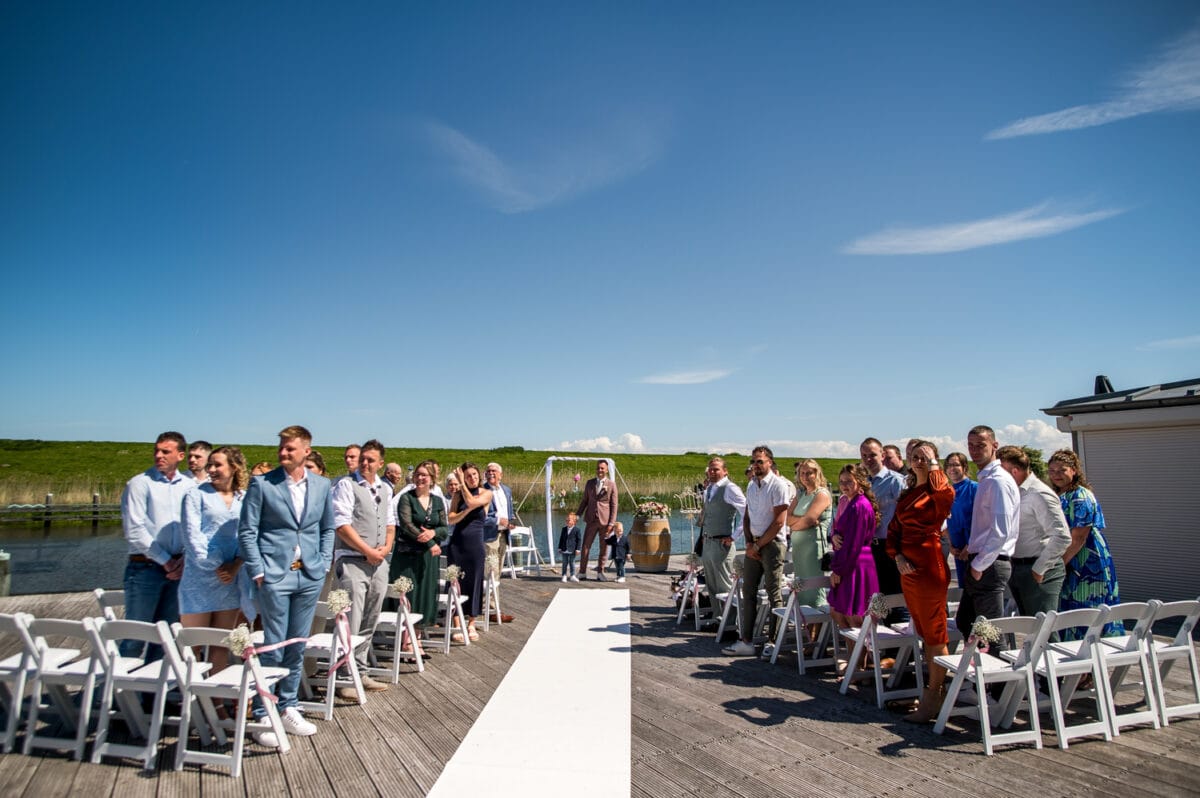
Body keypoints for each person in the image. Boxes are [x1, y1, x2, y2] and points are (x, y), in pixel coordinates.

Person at [238, 425, 334, 746]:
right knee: (273, 644)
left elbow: (327, 528)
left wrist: (322, 562)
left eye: (290, 448)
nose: (283, 453)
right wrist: (257, 569)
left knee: (297, 642)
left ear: (306, 450)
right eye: (281, 447)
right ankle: (263, 711)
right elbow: (247, 530)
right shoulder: (262, 484)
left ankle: (289, 705)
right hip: (274, 574)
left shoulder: (321, 485)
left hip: (309, 573)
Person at [887, 441, 955, 723]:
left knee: (935, 632)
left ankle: (934, 694)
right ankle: (931, 689)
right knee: (924, 632)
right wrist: (897, 556)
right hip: (908, 568)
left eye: (925, 457)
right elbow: (894, 529)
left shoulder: (939, 491)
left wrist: (934, 464)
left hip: (929, 566)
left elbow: (944, 494)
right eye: (914, 457)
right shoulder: (909, 493)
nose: (919, 461)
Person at [120, 431, 194, 656]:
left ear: (180, 455)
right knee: (136, 635)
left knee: (167, 638)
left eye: (165, 451)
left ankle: (155, 680)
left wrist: (184, 559)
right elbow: (134, 530)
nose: (159, 455)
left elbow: (193, 527)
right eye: (156, 451)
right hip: (146, 567)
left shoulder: (189, 486)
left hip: (178, 569)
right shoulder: (139, 484)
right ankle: (122, 679)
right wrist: (166, 561)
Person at [330, 439, 394, 694]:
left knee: (370, 618)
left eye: (370, 460)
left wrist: (386, 548)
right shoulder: (347, 485)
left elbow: (390, 522)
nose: (365, 463)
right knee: (351, 620)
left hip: (379, 562)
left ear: (380, 463)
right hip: (353, 560)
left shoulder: (384, 489)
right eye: (363, 459)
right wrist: (367, 551)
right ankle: (344, 676)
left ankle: (361, 670)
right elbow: (341, 525)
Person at [180, 446, 249, 675]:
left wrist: (236, 565)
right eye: (210, 464)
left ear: (234, 467)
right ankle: (190, 691)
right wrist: (217, 565)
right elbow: (192, 536)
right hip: (199, 578)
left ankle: (216, 693)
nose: (211, 469)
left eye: (217, 464)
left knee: (221, 643)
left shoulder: (244, 498)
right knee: (194, 644)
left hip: (231, 580)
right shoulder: (195, 495)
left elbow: (249, 535)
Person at [1047, 449, 1125, 640]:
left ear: (1073, 471)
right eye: (1052, 470)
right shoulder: (1058, 494)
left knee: (1088, 609)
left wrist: (1058, 565)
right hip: (1067, 557)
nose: (1056, 475)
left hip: (1085, 559)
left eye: (1062, 470)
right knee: (1067, 610)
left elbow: (1079, 537)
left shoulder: (1080, 496)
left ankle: (1091, 653)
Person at [723, 446, 789, 658]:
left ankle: (772, 641)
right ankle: (747, 640)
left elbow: (779, 521)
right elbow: (747, 516)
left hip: (772, 543)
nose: (756, 465)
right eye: (753, 461)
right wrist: (750, 543)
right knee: (748, 591)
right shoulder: (752, 485)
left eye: (760, 461)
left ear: (770, 462)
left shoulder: (778, 485)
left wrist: (759, 546)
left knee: (773, 592)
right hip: (754, 543)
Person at [955, 425, 1019, 642]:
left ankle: (995, 664)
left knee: (989, 633)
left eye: (980, 445)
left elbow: (1000, 530)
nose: (974, 450)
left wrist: (978, 565)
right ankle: (978, 661)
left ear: (994, 445)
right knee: (966, 622)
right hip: (983, 560)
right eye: (971, 446)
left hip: (990, 563)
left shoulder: (997, 480)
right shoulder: (987, 478)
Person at [996, 446, 1070, 619]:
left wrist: (1039, 570)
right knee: (1029, 628)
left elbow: (1062, 536)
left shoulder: (1038, 494)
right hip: (1019, 567)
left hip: (1039, 569)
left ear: (1014, 471)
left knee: (1043, 628)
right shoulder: (1015, 492)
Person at [391, 460, 447, 651]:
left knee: (424, 594)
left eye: (424, 475)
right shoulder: (406, 498)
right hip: (408, 555)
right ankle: (406, 639)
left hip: (428, 558)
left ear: (432, 478)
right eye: (418, 474)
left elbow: (444, 528)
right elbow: (407, 525)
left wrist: (433, 533)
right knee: (410, 594)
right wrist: (431, 542)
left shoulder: (437, 501)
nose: (420, 478)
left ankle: (417, 636)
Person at [827, 464, 880, 631]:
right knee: (838, 613)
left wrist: (838, 570)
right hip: (849, 560)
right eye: (842, 481)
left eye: (849, 481)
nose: (844, 485)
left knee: (855, 616)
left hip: (855, 563)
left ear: (860, 481)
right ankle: (853, 649)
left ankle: (864, 648)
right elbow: (841, 529)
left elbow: (854, 543)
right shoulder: (850, 503)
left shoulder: (860, 506)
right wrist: (835, 535)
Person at [860, 438, 907, 622]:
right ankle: (887, 636)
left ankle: (903, 638)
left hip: (891, 544)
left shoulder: (895, 481)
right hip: (872, 546)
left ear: (882, 455)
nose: (868, 459)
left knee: (897, 597)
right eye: (864, 455)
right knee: (880, 597)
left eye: (872, 455)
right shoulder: (864, 483)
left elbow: (906, 513)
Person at [446, 462, 492, 642]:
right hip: (457, 543)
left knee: (474, 580)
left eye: (474, 474)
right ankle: (457, 622)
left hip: (475, 543)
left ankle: (472, 622)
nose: (472, 478)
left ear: (479, 476)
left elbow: (472, 502)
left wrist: (462, 485)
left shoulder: (486, 493)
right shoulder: (458, 495)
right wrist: (463, 513)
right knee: (455, 581)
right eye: (467, 476)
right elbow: (451, 519)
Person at [698, 457, 746, 620]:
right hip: (708, 541)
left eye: (716, 469)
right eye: (710, 469)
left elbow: (747, 513)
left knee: (724, 585)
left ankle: (730, 622)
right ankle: (717, 618)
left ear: (725, 471)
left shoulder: (730, 488)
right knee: (711, 584)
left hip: (722, 544)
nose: (712, 472)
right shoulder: (709, 489)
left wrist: (734, 536)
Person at [786, 459, 832, 607]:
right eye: (802, 473)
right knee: (801, 588)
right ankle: (804, 619)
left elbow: (810, 519)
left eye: (809, 473)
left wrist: (797, 524)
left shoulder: (821, 494)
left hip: (813, 549)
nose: (805, 476)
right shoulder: (801, 494)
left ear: (816, 474)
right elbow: (787, 519)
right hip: (798, 550)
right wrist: (801, 522)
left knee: (813, 589)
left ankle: (817, 618)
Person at [482, 463, 516, 622]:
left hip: (504, 535)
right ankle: (490, 609)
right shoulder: (482, 491)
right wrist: (497, 521)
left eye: (493, 471)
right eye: (488, 471)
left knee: (498, 572)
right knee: (490, 572)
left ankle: (492, 607)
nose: (490, 473)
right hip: (489, 536)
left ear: (500, 474)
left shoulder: (506, 490)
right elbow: (479, 517)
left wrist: (511, 521)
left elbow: (509, 511)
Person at [576, 460, 618, 581]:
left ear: (607, 470)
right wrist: (577, 515)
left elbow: (614, 505)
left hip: (605, 522)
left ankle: (600, 572)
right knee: (585, 546)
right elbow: (584, 501)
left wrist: (611, 523)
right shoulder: (590, 483)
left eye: (602, 468)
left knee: (604, 548)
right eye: (598, 468)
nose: (600, 470)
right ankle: (582, 572)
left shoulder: (612, 485)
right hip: (591, 520)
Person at [944, 452, 977, 587]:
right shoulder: (946, 492)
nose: (952, 468)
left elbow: (982, 521)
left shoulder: (974, 488)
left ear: (964, 467)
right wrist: (951, 546)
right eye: (949, 465)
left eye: (956, 465)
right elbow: (945, 522)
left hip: (974, 550)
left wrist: (970, 546)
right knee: (964, 590)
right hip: (958, 552)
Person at [558, 511, 583, 582]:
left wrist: (578, 549)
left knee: (572, 562)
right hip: (564, 549)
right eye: (567, 520)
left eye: (569, 520)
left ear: (574, 522)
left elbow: (579, 540)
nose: (567, 521)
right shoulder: (564, 529)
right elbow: (561, 539)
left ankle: (572, 575)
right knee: (564, 563)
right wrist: (559, 547)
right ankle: (564, 575)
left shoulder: (577, 530)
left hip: (572, 549)